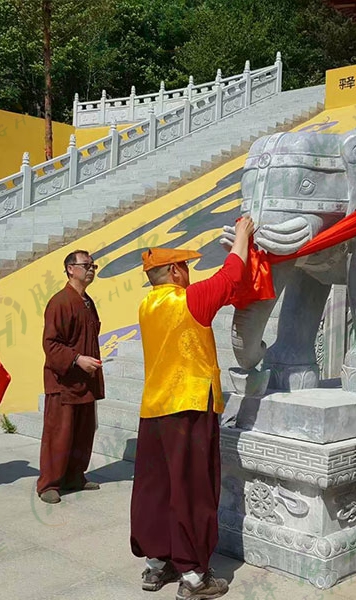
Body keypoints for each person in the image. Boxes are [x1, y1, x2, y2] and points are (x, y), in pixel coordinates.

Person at [130, 215, 255, 600]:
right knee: (193, 488)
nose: (187, 273)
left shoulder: (147, 306)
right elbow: (231, 277)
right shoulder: (189, 301)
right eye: (183, 266)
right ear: (172, 270)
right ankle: (195, 575)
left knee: (156, 487)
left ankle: (156, 563)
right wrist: (242, 237)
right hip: (188, 405)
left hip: (155, 407)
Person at [38, 249, 104, 504]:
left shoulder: (87, 301)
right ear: (70, 269)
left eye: (93, 266)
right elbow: (51, 343)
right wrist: (77, 359)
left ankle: (75, 475)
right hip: (63, 380)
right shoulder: (60, 302)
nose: (91, 269)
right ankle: (48, 484)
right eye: (86, 265)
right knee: (59, 433)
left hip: (85, 379)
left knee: (83, 431)